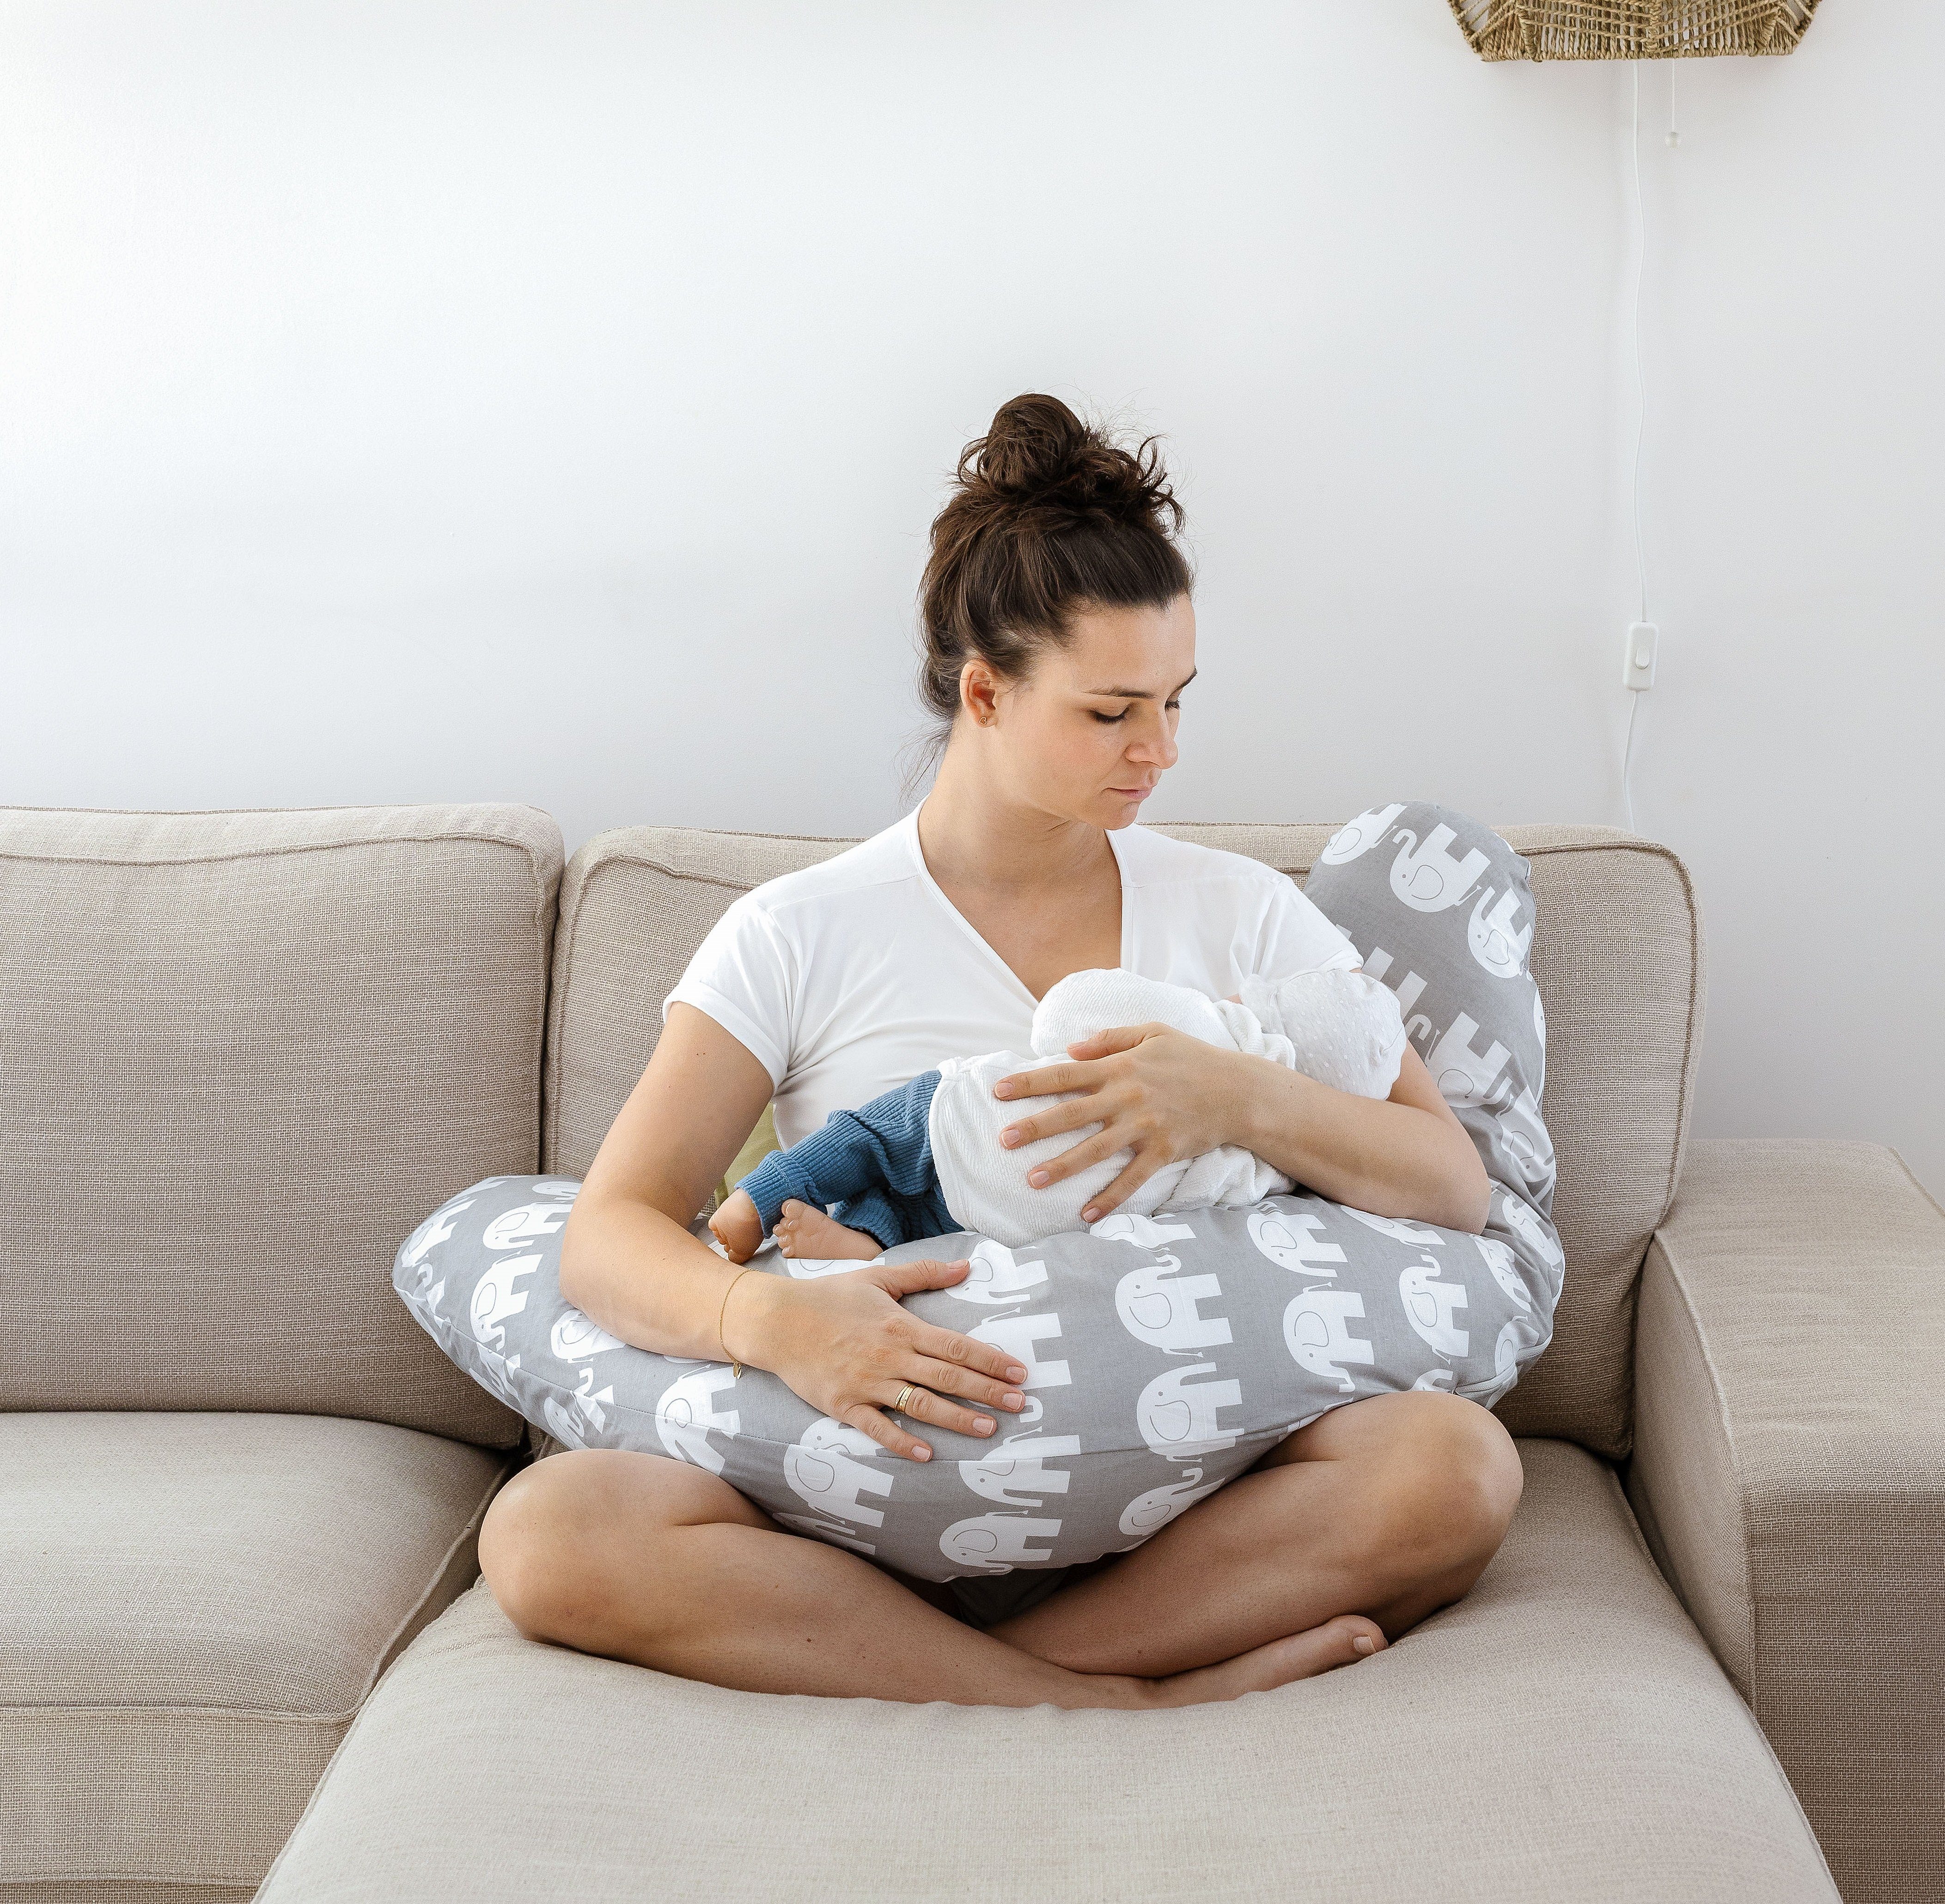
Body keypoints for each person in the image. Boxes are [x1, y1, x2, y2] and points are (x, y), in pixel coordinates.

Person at [476, 392, 1522, 1710]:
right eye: (1111, 712)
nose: (1162, 750)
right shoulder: (795, 933)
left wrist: (1239, 1098)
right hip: (868, 1516)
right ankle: (1105, 1696)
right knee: (549, 1533)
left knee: (1455, 1467)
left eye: (1177, 703)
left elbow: (1451, 1183)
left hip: (1189, 1515)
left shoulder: (1240, 910)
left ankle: (1001, 1679)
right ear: (985, 691)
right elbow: (609, 1230)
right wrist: (765, 1319)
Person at [706, 961, 1409, 1260]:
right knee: (941, 1233)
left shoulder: (1204, 1025)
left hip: (971, 1115)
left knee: (866, 1141)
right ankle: (872, 1246)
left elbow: (1066, 1016)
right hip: (1025, 1214)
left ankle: (757, 1199)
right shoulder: (1273, 1174)